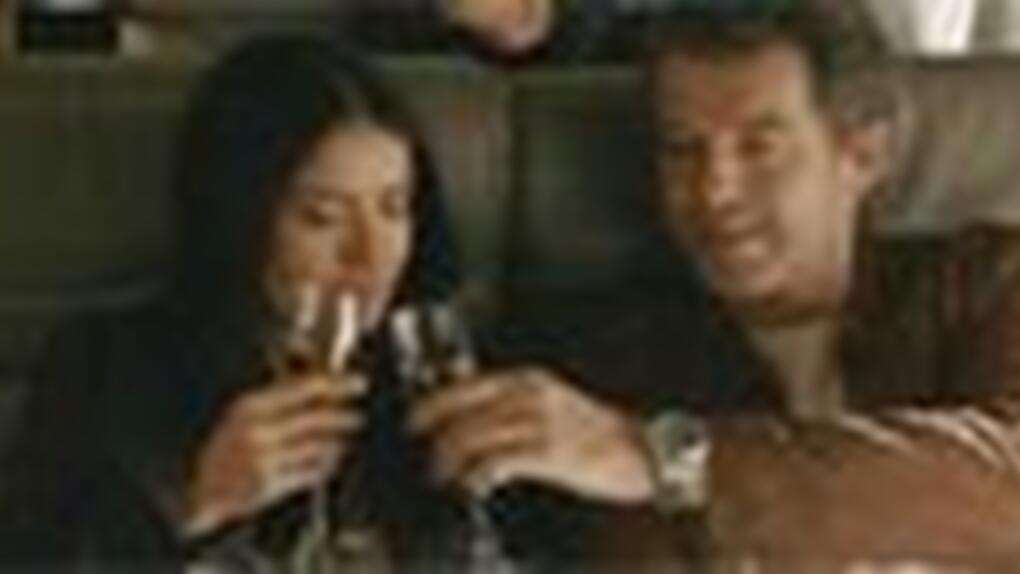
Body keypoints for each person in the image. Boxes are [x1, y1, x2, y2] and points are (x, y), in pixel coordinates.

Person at [0, 33, 653, 572]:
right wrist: (196, 511)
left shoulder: (448, 377)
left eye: (394, 208)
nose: (370, 256)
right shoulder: (103, 366)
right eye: (322, 217)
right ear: (240, 219)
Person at [415, 0, 1020, 568]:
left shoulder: (983, 283)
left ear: (863, 153)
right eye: (683, 150)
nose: (714, 191)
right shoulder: (605, 361)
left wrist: (666, 460)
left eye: (758, 148)